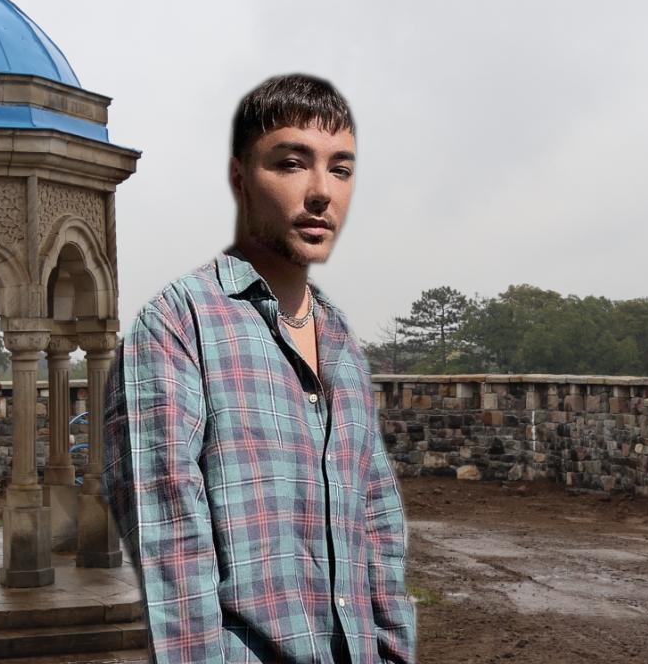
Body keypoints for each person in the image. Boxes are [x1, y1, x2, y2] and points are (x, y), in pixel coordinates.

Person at [102, 74, 416, 663]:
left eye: (340, 169)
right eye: (292, 164)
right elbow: (171, 546)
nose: (320, 192)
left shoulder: (342, 343)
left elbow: (378, 527)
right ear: (240, 177)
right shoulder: (179, 325)